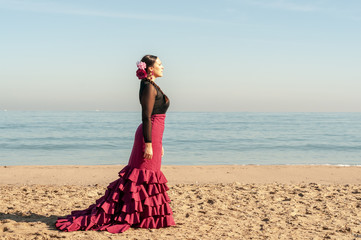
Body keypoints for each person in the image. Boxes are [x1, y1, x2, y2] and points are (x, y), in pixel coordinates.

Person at [55, 55, 176, 233]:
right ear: (150, 68)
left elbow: (154, 118)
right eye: (159, 64)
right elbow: (146, 117)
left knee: (149, 175)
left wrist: (158, 142)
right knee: (141, 176)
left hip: (154, 136)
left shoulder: (152, 85)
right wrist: (148, 143)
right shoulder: (148, 87)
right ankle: (128, 215)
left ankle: (141, 216)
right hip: (148, 137)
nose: (163, 67)